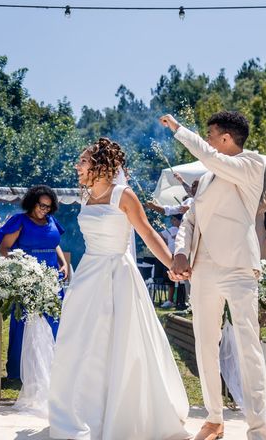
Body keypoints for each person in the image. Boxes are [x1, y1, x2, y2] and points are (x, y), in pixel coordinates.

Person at [48, 138, 189, 440]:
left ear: (100, 164)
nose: (77, 166)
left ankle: (121, 414)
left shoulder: (123, 195)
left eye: (83, 160)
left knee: (118, 343)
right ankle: (83, 411)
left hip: (117, 277)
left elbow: (147, 233)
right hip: (88, 275)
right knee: (80, 343)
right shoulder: (86, 196)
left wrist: (172, 265)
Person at [164, 111, 266, 440]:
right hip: (204, 269)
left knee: (248, 346)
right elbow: (191, 219)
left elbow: (208, 155)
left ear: (225, 138)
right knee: (205, 343)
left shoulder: (252, 164)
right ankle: (213, 419)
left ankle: (258, 429)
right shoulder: (207, 178)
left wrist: (180, 130)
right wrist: (181, 252)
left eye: (210, 134)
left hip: (238, 266)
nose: (207, 139)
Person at [0, 185, 69, 381]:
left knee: (53, 320)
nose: (44, 209)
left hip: (52, 278)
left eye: (48, 207)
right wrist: (23, 268)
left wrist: (64, 264)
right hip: (28, 279)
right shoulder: (20, 221)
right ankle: (18, 371)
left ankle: (50, 367)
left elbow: (55, 244)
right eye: (41, 205)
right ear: (31, 202)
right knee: (24, 322)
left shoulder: (51, 221)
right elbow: (4, 249)